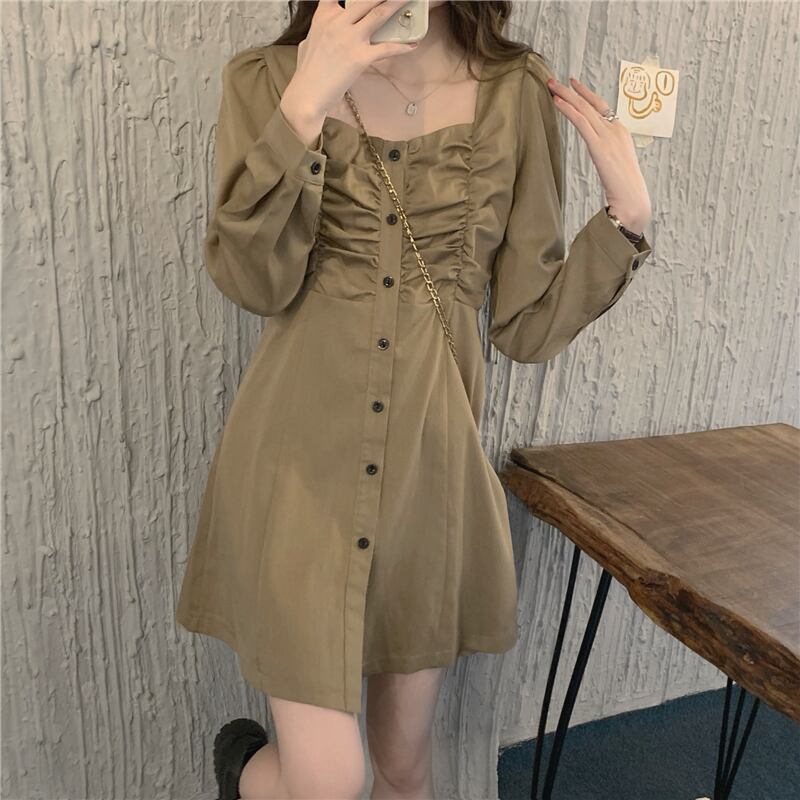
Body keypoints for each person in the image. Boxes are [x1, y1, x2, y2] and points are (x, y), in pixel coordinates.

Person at [176, 1, 653, 798]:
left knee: (403, 765)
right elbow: (253, 282)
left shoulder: (515, 92)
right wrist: (304, 107)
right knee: (330, 781)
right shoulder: (267, 80)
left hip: (430, 479)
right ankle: (248, 772)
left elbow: (525, 324)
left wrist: (626, 221)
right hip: (297, 472)